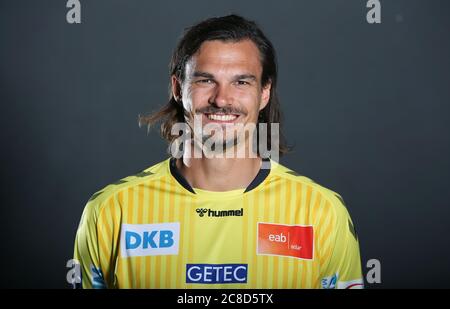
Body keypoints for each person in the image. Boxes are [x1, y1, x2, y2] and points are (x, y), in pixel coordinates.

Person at [73, 14, 363, 289]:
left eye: (241, 82)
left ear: (264, 93)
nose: (222, 99)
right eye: (205, 80)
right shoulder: (112, 211)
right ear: (178, 88)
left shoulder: (321, 213)